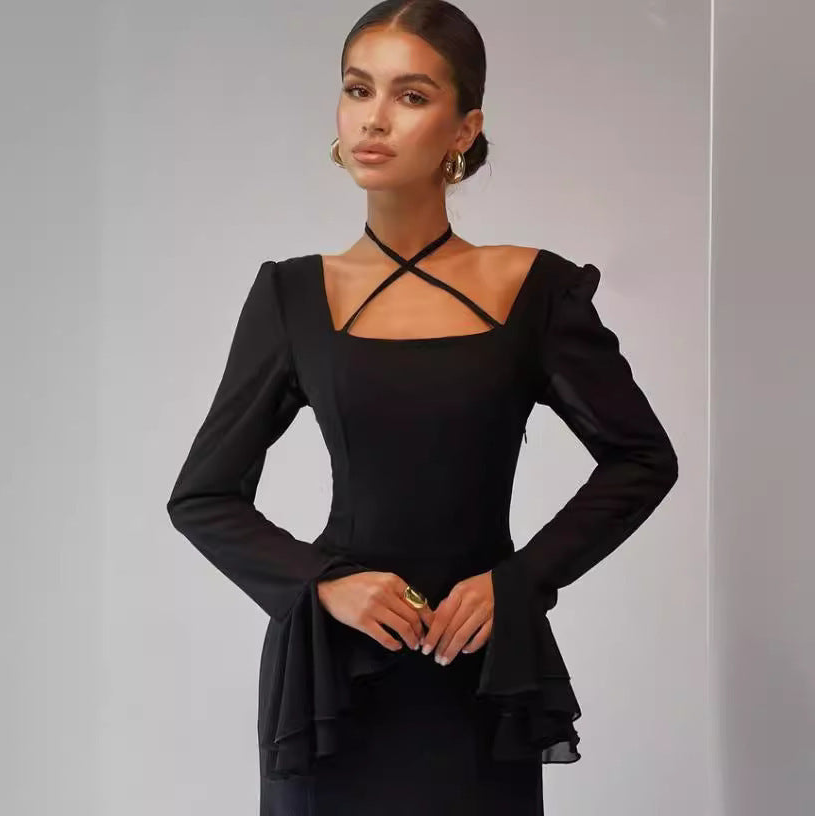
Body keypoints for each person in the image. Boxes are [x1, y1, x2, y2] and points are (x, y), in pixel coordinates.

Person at [165, 1, 679, 813]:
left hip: (478, 670)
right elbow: (202, 496)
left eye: (410, 96)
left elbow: (642, 458)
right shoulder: (292, 296)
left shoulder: (535, 289)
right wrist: (322, 584)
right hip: (335, 679)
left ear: (464, 128)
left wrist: (519, 581)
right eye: (357, 89)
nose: (374, 118)